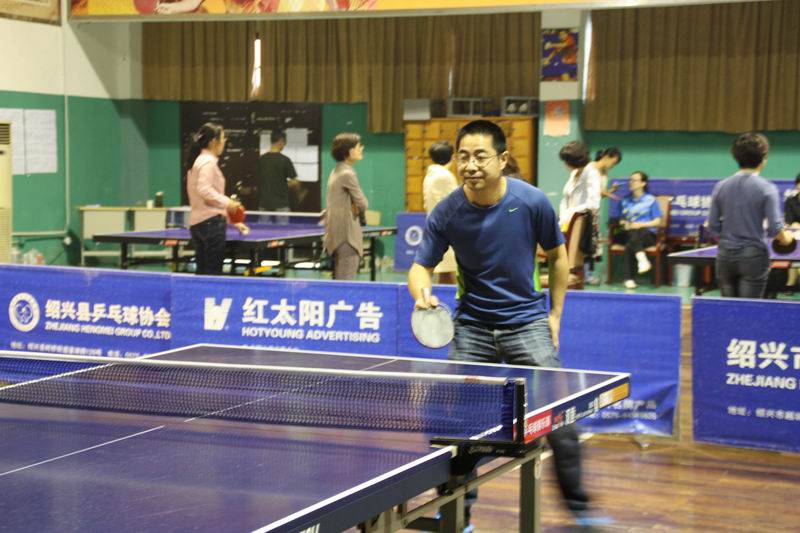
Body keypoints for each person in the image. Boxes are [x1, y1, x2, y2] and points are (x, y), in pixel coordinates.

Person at [409, 120, 606, 528]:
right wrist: (421, 292)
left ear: (502, 159)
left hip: (526, 324)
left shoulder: (532, 202)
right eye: (463, 157)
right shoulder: (448, 211)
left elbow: (558, 258)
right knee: (458, 428)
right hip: (473, 327)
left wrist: (554, 316)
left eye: (480, 156)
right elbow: (420, 266)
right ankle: (458, 515)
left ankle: (580, 509)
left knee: (560, 417)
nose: (470, 165)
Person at [708, 133, 794, 298]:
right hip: (753, 256)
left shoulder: (721, 186)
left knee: (729, 308)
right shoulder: (767, 188)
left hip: (724, 256)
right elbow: (776, 229)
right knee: (749, 308)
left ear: (736, 157)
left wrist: (728, 237)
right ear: (764, 158)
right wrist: (787, 239)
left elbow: (712, 225)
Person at [186, 123, 247, 275]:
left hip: (198, 224)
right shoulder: (208, 162)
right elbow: (205, 190)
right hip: (210, 225)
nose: (224, 141)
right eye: (223, 138)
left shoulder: (197, 161)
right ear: (214, 141)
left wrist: (234, 221)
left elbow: (206, 198)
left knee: (202, 273)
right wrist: (229, 203)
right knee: (212, 273)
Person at [323, 132, 368, 280]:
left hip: (336, 235)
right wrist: (356, 206)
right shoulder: (347, 174)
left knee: (340, 281)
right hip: (347, 238)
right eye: (357, 146)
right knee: (346, 283)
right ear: (348, 151)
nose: (361, 148)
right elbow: (363, 204)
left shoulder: (336, 171)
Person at [558, 141, 601, 284]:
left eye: (567, 160)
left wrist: (572, 212)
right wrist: (564, 215)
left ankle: (578, 273)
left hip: (581, 222)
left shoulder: (592, 173)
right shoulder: (574, 173)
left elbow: (594, 204)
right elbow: (565, 198)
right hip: (566, 219)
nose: (565, 164)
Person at [613, 171, 662, 290]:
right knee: (632, 234)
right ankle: (642, 259)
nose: (631, 182)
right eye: (630, 180)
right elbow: (621, 220)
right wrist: (625, 223)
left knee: (632, 240)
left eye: (634, 180)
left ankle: (628, 278)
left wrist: (640, 224)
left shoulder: (651, 200)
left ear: (643, 183)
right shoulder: (624, 201)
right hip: (628, 232)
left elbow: (657, 222)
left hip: (647, 235)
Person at [423, 141, 459, 284]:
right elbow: (457, 203)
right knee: (451, 272)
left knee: (444, 271)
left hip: (436, 227)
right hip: (448, 229)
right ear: (452, 157)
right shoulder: (445, 176)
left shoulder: (430, 175)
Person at [257, 129, 300, 212]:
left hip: (264, 203)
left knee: (263, 222)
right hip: (281, 204)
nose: (284, 145)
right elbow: (295, 182)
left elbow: (259, 179)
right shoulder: (285, 160)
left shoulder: (261, 160)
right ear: (281, 141)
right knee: (282, 222)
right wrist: (298, 190)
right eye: (284, 142)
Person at [784, 174, 800, 288]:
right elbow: (789, 222)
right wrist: (793, 225)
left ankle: (790, 284)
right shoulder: (790, 201)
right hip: (795, 235)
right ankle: (790, 284)